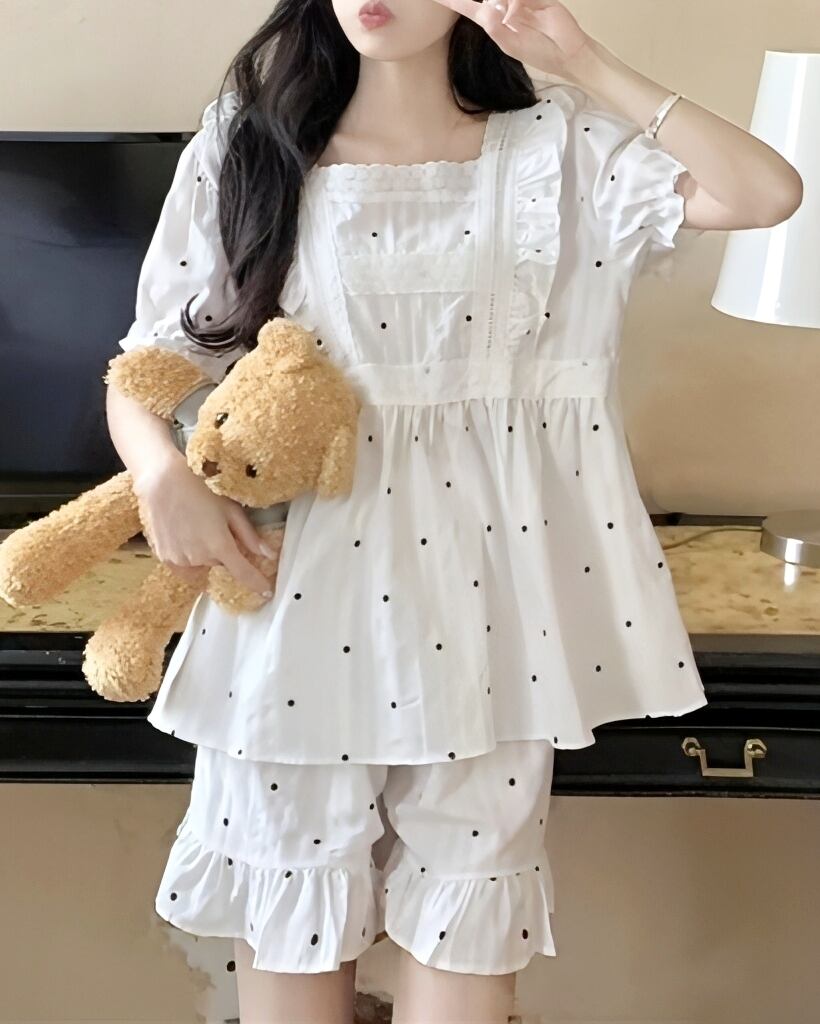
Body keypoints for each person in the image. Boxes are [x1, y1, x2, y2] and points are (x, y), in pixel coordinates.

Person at [105, 1, 802, 1021]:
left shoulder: (558, 146)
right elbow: (153, 361)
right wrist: (159, 476)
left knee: (468, 915)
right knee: (290, 907)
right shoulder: (252, 142)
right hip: (294, 592)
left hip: (496, 601)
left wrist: (579, 57)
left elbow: (766, 192)